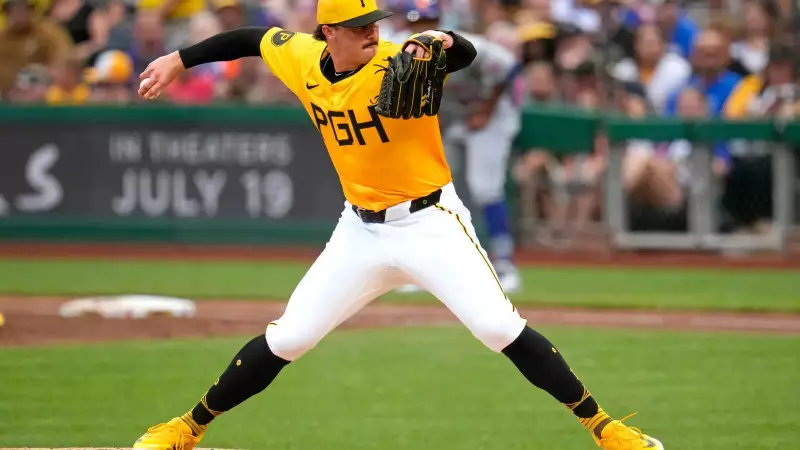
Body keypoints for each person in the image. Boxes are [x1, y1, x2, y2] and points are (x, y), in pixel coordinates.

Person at [132, 1, 663, 449]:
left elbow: (465, 55)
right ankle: (186, 429)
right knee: (290, 337)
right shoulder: (302, 59)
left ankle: (606, 429)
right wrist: (179, 59)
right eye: (359, 25)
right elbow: (251, 38)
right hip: (359, 230)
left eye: (374, 22)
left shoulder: (396, 60)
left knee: (498, 327)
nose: (372, 32)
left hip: (430, 221)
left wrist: (442, 40)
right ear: (328, 33)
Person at [383, 0, 523, 293]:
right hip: (452, 119)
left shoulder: (465, 45)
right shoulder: (399, 51)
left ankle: (504, 264)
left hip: (490, 119)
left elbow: (508, 67)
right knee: (429, 191)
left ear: (439, 21)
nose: (423, 27)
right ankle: (428, 269)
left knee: (485, 187)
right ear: (406, 24)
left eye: (428, 21)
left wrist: (486, 109)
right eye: (417, 22)